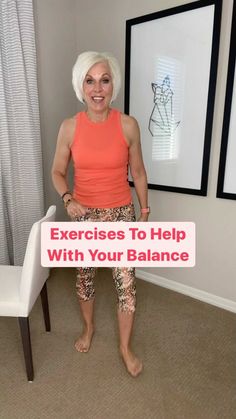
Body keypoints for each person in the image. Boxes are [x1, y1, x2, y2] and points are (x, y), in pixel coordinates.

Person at [51, 51, 150, 377]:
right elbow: (57, 171)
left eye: (104, 80)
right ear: (81, 86)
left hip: (121, 213)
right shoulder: (69, 127)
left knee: (126, 284)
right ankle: (89, 328)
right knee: (85, 279)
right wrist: (68, 198)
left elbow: (138, 170)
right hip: (84, 215)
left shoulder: (128, 124)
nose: (98, 88)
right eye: (90, 80)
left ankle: (124, 347)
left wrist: (144, 209)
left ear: (113, 85)